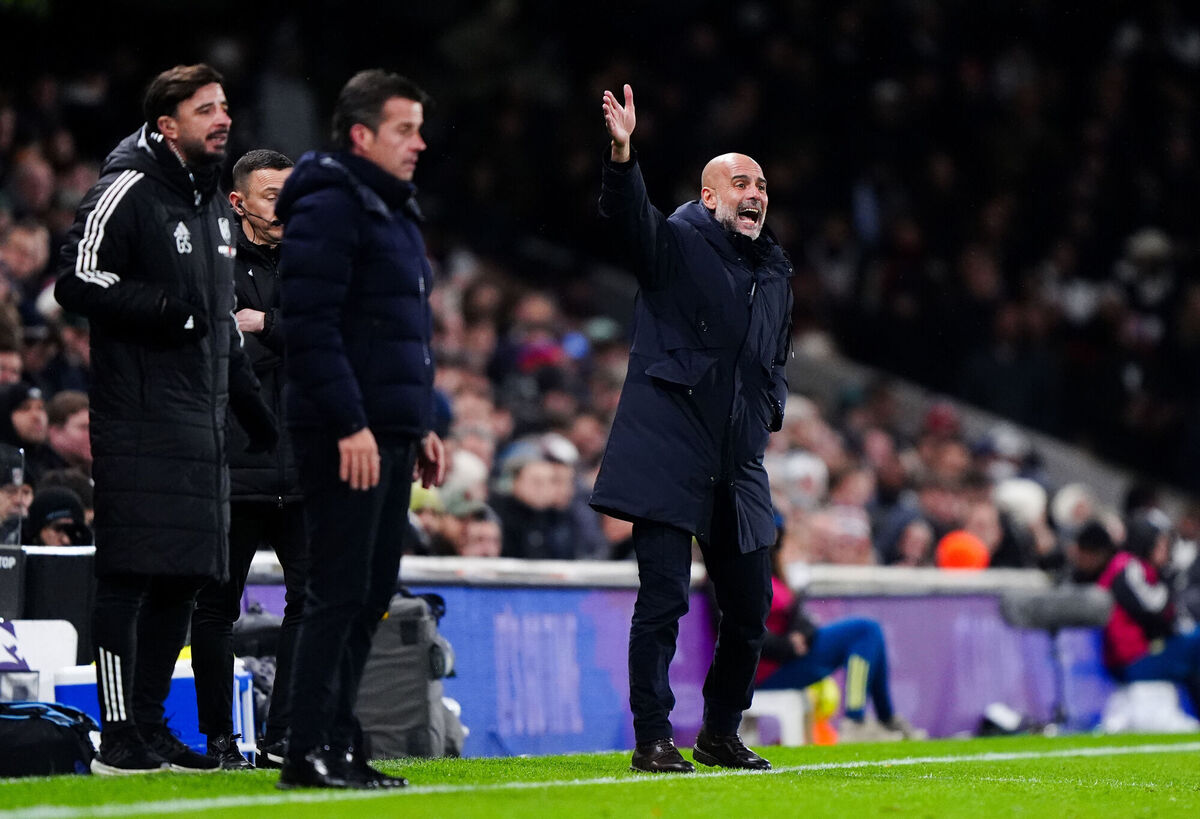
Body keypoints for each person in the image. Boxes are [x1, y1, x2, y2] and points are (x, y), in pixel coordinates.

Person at [53, 64, 277, 775]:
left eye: (225, 106)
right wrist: (166, 307)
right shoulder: (128, 186)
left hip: (201, 426)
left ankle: (150, 725)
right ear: (166, 125)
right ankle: (116, 732)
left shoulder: (211, 202)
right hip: (138, 418)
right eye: (205, 108)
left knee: (182, 580)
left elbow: (220, 328)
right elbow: (77, 277)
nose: (222, 118)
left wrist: (253, 412)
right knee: (128, 576)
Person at [589, 85, 794, 773]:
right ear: (709, 196)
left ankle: (719, 732)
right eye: (741, 182)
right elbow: (628, 223)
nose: (755, 193)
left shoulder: (774, 272)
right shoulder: (675, 242)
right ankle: (653, 735)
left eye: (762, 184)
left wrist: (770, 412)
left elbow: (773, 359)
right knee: (665, 600)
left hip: (737, 465)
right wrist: (623, 156)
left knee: (749, 610)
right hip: (670, 452)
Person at [276, 69, 446, 790]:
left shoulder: (392, 209)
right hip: (345, 432)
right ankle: (306, 747)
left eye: (418, 128)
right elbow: (309, 325)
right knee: (338, 588)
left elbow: (398, 333)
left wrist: (422, 423)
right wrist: (351, 421)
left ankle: (341, 745)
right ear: (360, 135)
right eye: (404, 130)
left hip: (389, 431)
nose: (419, 143)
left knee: (371, 591)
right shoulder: (332, 204)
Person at [190, 149, 307, 770]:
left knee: (310, 604)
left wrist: (267, 324)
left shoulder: (312, 263)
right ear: (237, 203)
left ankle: (284, 737)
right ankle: (220, 741)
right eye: (270, 197)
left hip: (306, 470)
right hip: (234, 466)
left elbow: (337, 335)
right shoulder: (213, 264)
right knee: (216, 607)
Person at [757, 526, 920, 742]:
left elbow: (800, 615)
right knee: (864, 630)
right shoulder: (733, 574)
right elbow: (736, 630)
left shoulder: (772, 571)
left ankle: (884, 719)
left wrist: (802, 634)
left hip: (789, 657)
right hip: (764, 669)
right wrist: (786, 645)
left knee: (869, 630)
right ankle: (857, 720)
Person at [1096, 510, 1200, 711]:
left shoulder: (1145, 569)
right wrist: (1172, 577)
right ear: (1146, 542)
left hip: (1146, 652)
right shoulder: (1127, 566)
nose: (1165, 549)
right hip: (1130, 660)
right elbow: (1155, 609)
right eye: (1161, 543)